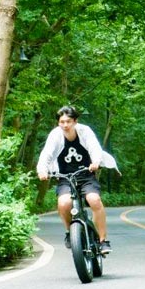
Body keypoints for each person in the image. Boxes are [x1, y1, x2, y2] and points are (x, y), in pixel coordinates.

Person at [36, 106, 119, 255]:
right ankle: (70, 232)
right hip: (65, 177)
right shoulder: (55, 135)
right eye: (62, 122)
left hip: (86, 174)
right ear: (58, 123)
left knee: (94, 200)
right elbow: (46, 154)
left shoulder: (84, 131)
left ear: (75, 121)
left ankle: (103, 241)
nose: (65, 125)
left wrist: (95, 162)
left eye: (68, 121)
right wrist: (42, 170)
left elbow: (94, 148)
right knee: (64, 203)